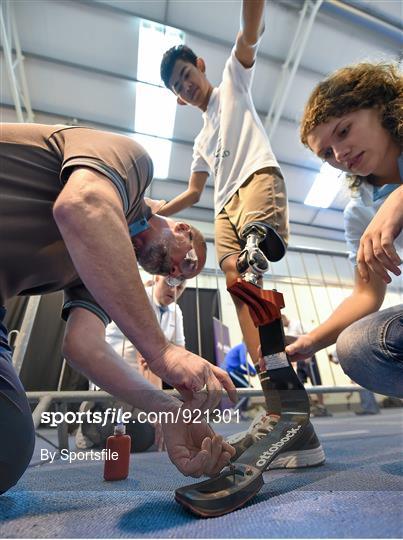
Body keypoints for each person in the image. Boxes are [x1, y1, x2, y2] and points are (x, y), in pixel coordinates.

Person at [0, 122, 237, 495]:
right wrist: (162, 351)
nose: (175, 273)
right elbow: (82, 205)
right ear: (183, 230)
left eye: (183, 276)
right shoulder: (132, 165)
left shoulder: (104, 265)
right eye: (186, 262)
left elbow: (83, 346)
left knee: (7, 449)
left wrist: (166, 409)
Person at [159, 0, 324, 469]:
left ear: (201, 67)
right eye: (177, 86)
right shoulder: (198, 140)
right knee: (238, 289)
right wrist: (150, 209)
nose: (185, 86)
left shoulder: (232, 78)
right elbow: (192, 193)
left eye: (187, 75)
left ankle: (291, 413)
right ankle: (281, 408)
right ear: (175, 98)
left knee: (253, 266)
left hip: (256, 180)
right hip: (222, 205)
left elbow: (250, 30)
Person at [287, 61, 402, 398]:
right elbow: (367, 294)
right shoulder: (358, 213)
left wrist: (399, 199)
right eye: (326, 154)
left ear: (379, 106)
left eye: (343, 131)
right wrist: (311, 340)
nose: (339, 154)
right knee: (355, 348)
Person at [76, 276, 187, 451]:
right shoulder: (139, 300)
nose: (174, 291)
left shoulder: (176, 311)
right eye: (170, 283)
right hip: (113, 384)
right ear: (157, 277)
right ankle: (90, 425)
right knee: (140, 436)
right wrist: (159, 408)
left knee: (158, 433)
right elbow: (146, 359)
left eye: (180, 287)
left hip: (141, 388)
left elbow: (180, 356)